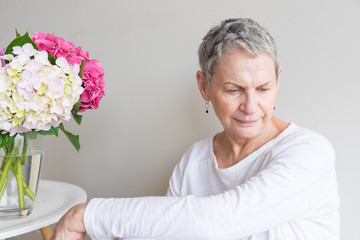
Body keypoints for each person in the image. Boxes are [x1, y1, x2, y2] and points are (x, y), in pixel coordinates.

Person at [51, 18, 340, 240]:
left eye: (264, 88)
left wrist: (88, 215)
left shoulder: (309, 152)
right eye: (234, 90)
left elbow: (221, 219)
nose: (251, 106)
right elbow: (171, 230)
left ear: (278, 81)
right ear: (204, 86)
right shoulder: (195, 160)